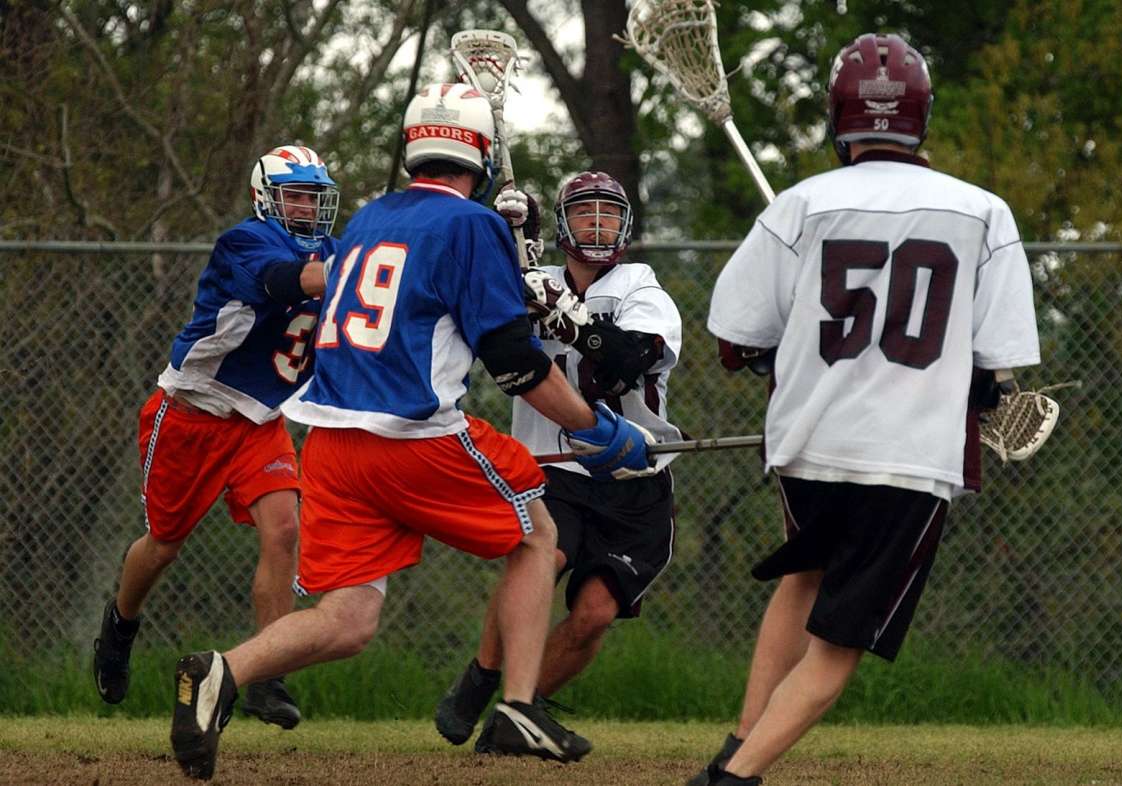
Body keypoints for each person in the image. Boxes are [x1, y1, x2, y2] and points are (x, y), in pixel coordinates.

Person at [166, 83, 656, 781]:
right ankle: (518, 706)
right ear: (479, 153)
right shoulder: (473, 225)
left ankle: (221, 671)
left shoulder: (370, 216)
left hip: (329, 443)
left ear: (413, 149)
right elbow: (514, 364)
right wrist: (597, 426)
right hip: (411, 435)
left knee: (348, 619)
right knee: (537, 535)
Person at [689, 33, 1041, 786]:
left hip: (810, 445)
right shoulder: (984, 212)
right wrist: (983, 393)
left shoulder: (802, 203)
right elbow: (995, 362)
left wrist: (787, 353)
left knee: (805, 577)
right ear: (923, 117)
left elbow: (735, 339)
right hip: (907, 458)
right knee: (838, 644)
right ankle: (733, 777)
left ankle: (736, 741)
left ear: (837, 115)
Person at [433, 171, 684, 752]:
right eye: (584, 213)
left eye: (608, 214)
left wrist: (569, 320)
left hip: (634, 474)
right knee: (539, 562)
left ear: (625, 225)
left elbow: (626, 362)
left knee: (594, 614)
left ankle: (516, 716)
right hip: (552, 467)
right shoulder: (531, 281)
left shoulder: (642, 289)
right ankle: (482, 675)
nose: (596, 225)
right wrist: (505, 233)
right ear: (564, 226)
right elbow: (478, 316)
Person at [92, 145, 339, 730]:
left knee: (284, 530)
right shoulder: (245, 241)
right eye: (295, 196)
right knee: (164, 544)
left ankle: (267, 676)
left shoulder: (333, 252)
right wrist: (365, 265)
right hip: (191, 414)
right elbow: (288, 281)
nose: (306, 208)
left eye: (313, 197)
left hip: (259, 421)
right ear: (266, 198)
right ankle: (121, 625)